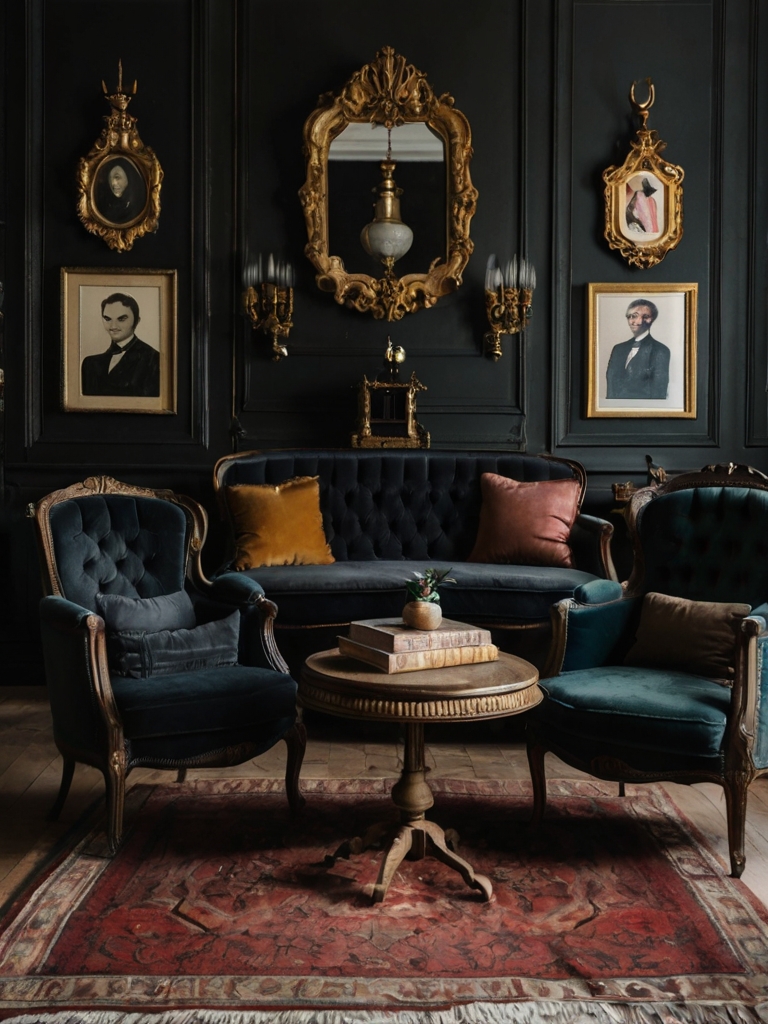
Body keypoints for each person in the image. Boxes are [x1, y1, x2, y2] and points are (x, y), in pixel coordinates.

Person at [81, 292, 160, 397]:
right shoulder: (90, 363)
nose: (113, 326)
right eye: (107, 319)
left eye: (121, 319)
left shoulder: (154, 359)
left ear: (137, 320)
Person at [605, 299, 670, 400]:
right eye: (633, 316)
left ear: (652, 320)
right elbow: (611, 389)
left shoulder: (660, 350)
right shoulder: (618, 349)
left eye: (646, 317)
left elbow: (659, 394)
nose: (638, 321)